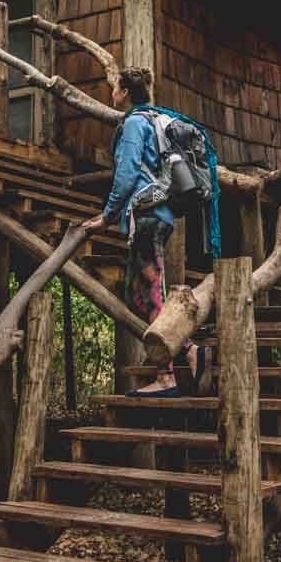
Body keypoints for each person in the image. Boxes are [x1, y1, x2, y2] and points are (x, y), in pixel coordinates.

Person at [82, 68, 204, 394]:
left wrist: (106, 217)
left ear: (123, 92)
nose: (111, 92)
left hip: (148, 217)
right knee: (139, 295)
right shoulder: (153, 119)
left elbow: (125, 175)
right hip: (157, 216)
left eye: (114, 87)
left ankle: (169, 372)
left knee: (151, 291)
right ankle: (188, 351)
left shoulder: (135, 123)